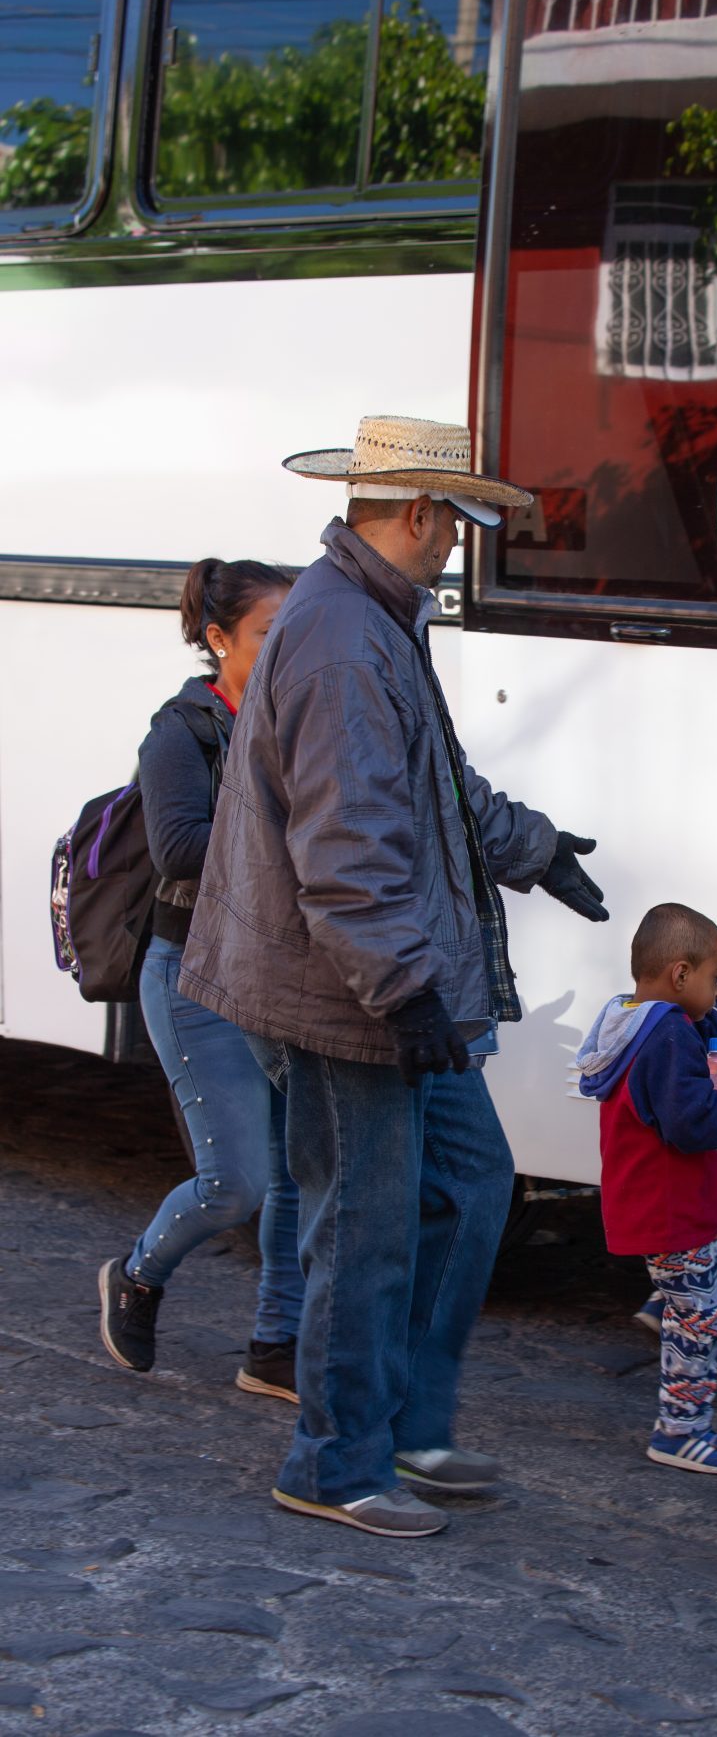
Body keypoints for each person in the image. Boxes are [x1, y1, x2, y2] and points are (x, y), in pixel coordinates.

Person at [178, 415, 608, 1540]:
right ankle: (334, 1461)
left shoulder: (368, 619)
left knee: (466, 1186)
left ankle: (401, 1429)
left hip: (371, 982)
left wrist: (532, 846)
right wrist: (405, 991)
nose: (463, 545)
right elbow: (348, 847)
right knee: (362, 1228)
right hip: (348, 995)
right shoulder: (340, 638)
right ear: (418, 514)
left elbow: (432, 785)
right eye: (460, 523)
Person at [99, 558, 304, 1402]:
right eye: (267, 633)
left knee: (302, 1168)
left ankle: (275, 1344)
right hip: (195, 974)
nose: (288, 647)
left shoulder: (306, 716)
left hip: (288, 973)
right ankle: (138, 1275)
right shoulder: (179, 732)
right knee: (237, 1182)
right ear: (219, 639)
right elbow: (180, 846)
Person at [575, 904, 717, 1476]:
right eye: (713, 978)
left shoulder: (642, 1017)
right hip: (673, 1211)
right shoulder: (665, 1039)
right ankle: (680, 1432)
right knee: (698, 1325)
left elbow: (708, 1017)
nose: (716, 991)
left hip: (694, 1203)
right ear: (681, 975)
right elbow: (693, 1124)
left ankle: (672, 1303)